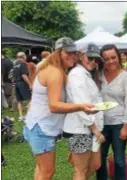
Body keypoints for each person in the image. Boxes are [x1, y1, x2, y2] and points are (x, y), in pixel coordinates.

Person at [23, 37, 96, 180]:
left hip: (36, 125)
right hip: (41, 128)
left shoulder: (48, 67)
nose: (73, 56)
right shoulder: (55, 72)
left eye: (74, 53)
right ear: (57, 53)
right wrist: (81, 106)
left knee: (41, 169)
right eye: (68, 53)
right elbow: (54, 106)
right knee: (47, 172)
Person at [63, 43, 105, 180]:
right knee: (81, 169)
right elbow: (82, 106)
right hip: (80, 129)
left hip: (89, 129)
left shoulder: (86, 74)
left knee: (94, 165)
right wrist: (95, 130)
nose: (93, 62)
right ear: (81, 56)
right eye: (90, 58)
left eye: (96, 59)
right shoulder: (77, 75)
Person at [96, 44, 127, 180]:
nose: (111, 61)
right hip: (101, 124)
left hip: (119, 123)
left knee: (119, 159)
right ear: (101, 60)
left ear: (119, 57)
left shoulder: (125, 76)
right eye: (106, 59)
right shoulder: (98, 75)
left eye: (113, 57)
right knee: (99, 158)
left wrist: (126, 126)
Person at [13, 52, 32, 121]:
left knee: (19, 100)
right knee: (31, 99)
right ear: (23, 56)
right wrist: (30, 84)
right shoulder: (23, 64)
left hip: (16, 83)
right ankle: (27, 116)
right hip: (22, 83)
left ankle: (21, 116)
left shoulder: (15, 64)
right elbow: (24, 75)